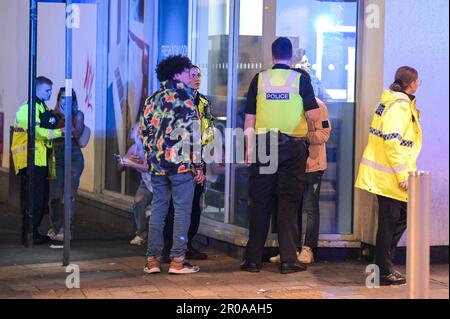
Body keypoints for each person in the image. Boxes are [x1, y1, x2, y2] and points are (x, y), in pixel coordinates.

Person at [241, 37, 320, 274]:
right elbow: (314, 115)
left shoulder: (260, 79)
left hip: (264, 145)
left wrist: (248, 149)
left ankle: (253, 260)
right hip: (292, 146)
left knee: (261, 202)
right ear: (292, 56)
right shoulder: (300, 80)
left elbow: (249, 119)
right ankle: (288, 260)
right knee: (288, 202)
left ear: (272, 55)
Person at [355, 66, 422, 285]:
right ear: (411, 84)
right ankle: (383, 270)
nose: (419, 84)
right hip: (390, 175)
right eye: (418, 81)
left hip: (386, 173)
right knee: (390, 222)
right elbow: (393, 143)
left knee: (396, 219)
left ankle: (381, 265)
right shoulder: (399, 107)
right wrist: (403, 175)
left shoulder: (393, 101)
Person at [139, 55, 205, 275]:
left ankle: (153, 261)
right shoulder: (186, 99)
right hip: (180, 166)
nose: (191, 75)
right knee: (181, 212)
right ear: (177, 74)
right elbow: (192, 136)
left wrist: (153, 154)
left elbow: (143, 132)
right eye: (188, 72)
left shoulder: (152, 99)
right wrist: (197, 165)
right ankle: (177, 260)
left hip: (157, 166)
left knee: (158, 209)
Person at [162, 65, 214, 261]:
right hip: (180, 158)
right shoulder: (177, 100)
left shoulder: (203, 102)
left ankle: (187, 244)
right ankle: (170, 246)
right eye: (192, 75)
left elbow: (208, 131)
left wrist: (204, 156)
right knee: (176, 205)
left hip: (199, 157)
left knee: (195, 204)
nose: (197, 78)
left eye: (199, 75)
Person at [270, 98, 331, 264]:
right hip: (291, 164)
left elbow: (324, 134)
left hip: (313, 165)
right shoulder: (289, 103)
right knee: (290, 206)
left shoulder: (318, 106)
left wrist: (301, 136)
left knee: (310, 207)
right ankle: (290, 249)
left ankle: (308, 248)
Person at [11, 76, 64, 245]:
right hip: (30, 159)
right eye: (47, 90)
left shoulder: (40, 107)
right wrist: (60, 132)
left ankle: (32, 232)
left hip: (38, 159)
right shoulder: (30, 108)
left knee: (39, 199)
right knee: (34, 199)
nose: (50, 93)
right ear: (37, 90)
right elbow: (38, 132)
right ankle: (29, 233)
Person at [46, 88, 85, 241]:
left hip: (73, 156)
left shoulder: (77, 115)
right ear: (58, 99)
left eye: (69, 98)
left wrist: (66, 116)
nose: (65, 101)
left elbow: (76, 133)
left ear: (73, 101)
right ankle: (55, 226)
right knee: (54, 195)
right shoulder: (52, 115)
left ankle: (65, 229)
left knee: (68, 196)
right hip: (55, 156)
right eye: (62, 98)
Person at [116, 124, 153, 246]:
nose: (138, 137)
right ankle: (141, 234)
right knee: (138, 202)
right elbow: (120, 168)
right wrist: (123, 161)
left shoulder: (154, 147)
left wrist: (132, 163)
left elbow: (148, 167)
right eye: (137, 134)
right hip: (146, 183)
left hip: (160, 182)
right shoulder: (134, 148)